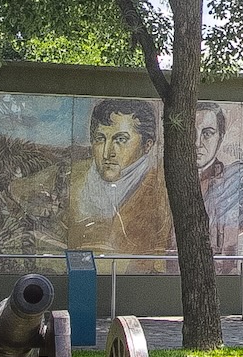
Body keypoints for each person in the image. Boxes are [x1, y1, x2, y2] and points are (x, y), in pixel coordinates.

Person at [71, 98, 172, 254]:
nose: (107, 153)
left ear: (147, 145)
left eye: (121, 139)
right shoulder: (73, 184)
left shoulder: (162, 192)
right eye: (100, 139)